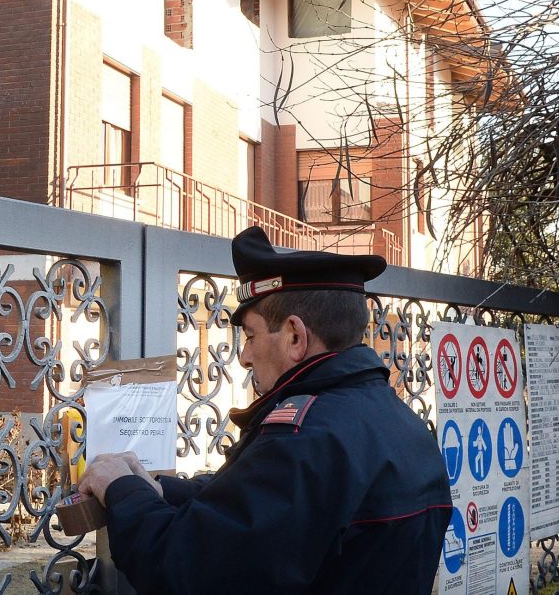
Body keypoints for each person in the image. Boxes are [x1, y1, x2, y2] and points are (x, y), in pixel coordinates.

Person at [78, 226, 451, 594]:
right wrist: (161, 490)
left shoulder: (305, 439)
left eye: (251, 335)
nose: (244, 356)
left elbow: (185, 567)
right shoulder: (404, 424)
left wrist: (121, 489)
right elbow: (255, 503)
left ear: (295, 337)